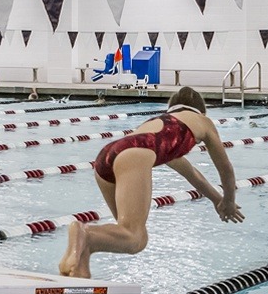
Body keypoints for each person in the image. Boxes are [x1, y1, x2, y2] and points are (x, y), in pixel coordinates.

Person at [60, 87, 242, 279]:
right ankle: (86, 234)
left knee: (129, 238)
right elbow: (226, 169)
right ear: (201, 111)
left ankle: (80, 262)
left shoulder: (160, 126)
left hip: (106, 157)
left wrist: (217, 200)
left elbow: (192, 175)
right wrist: (229, 201)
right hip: (134, 153)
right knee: (134, 236)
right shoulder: (203, 121)